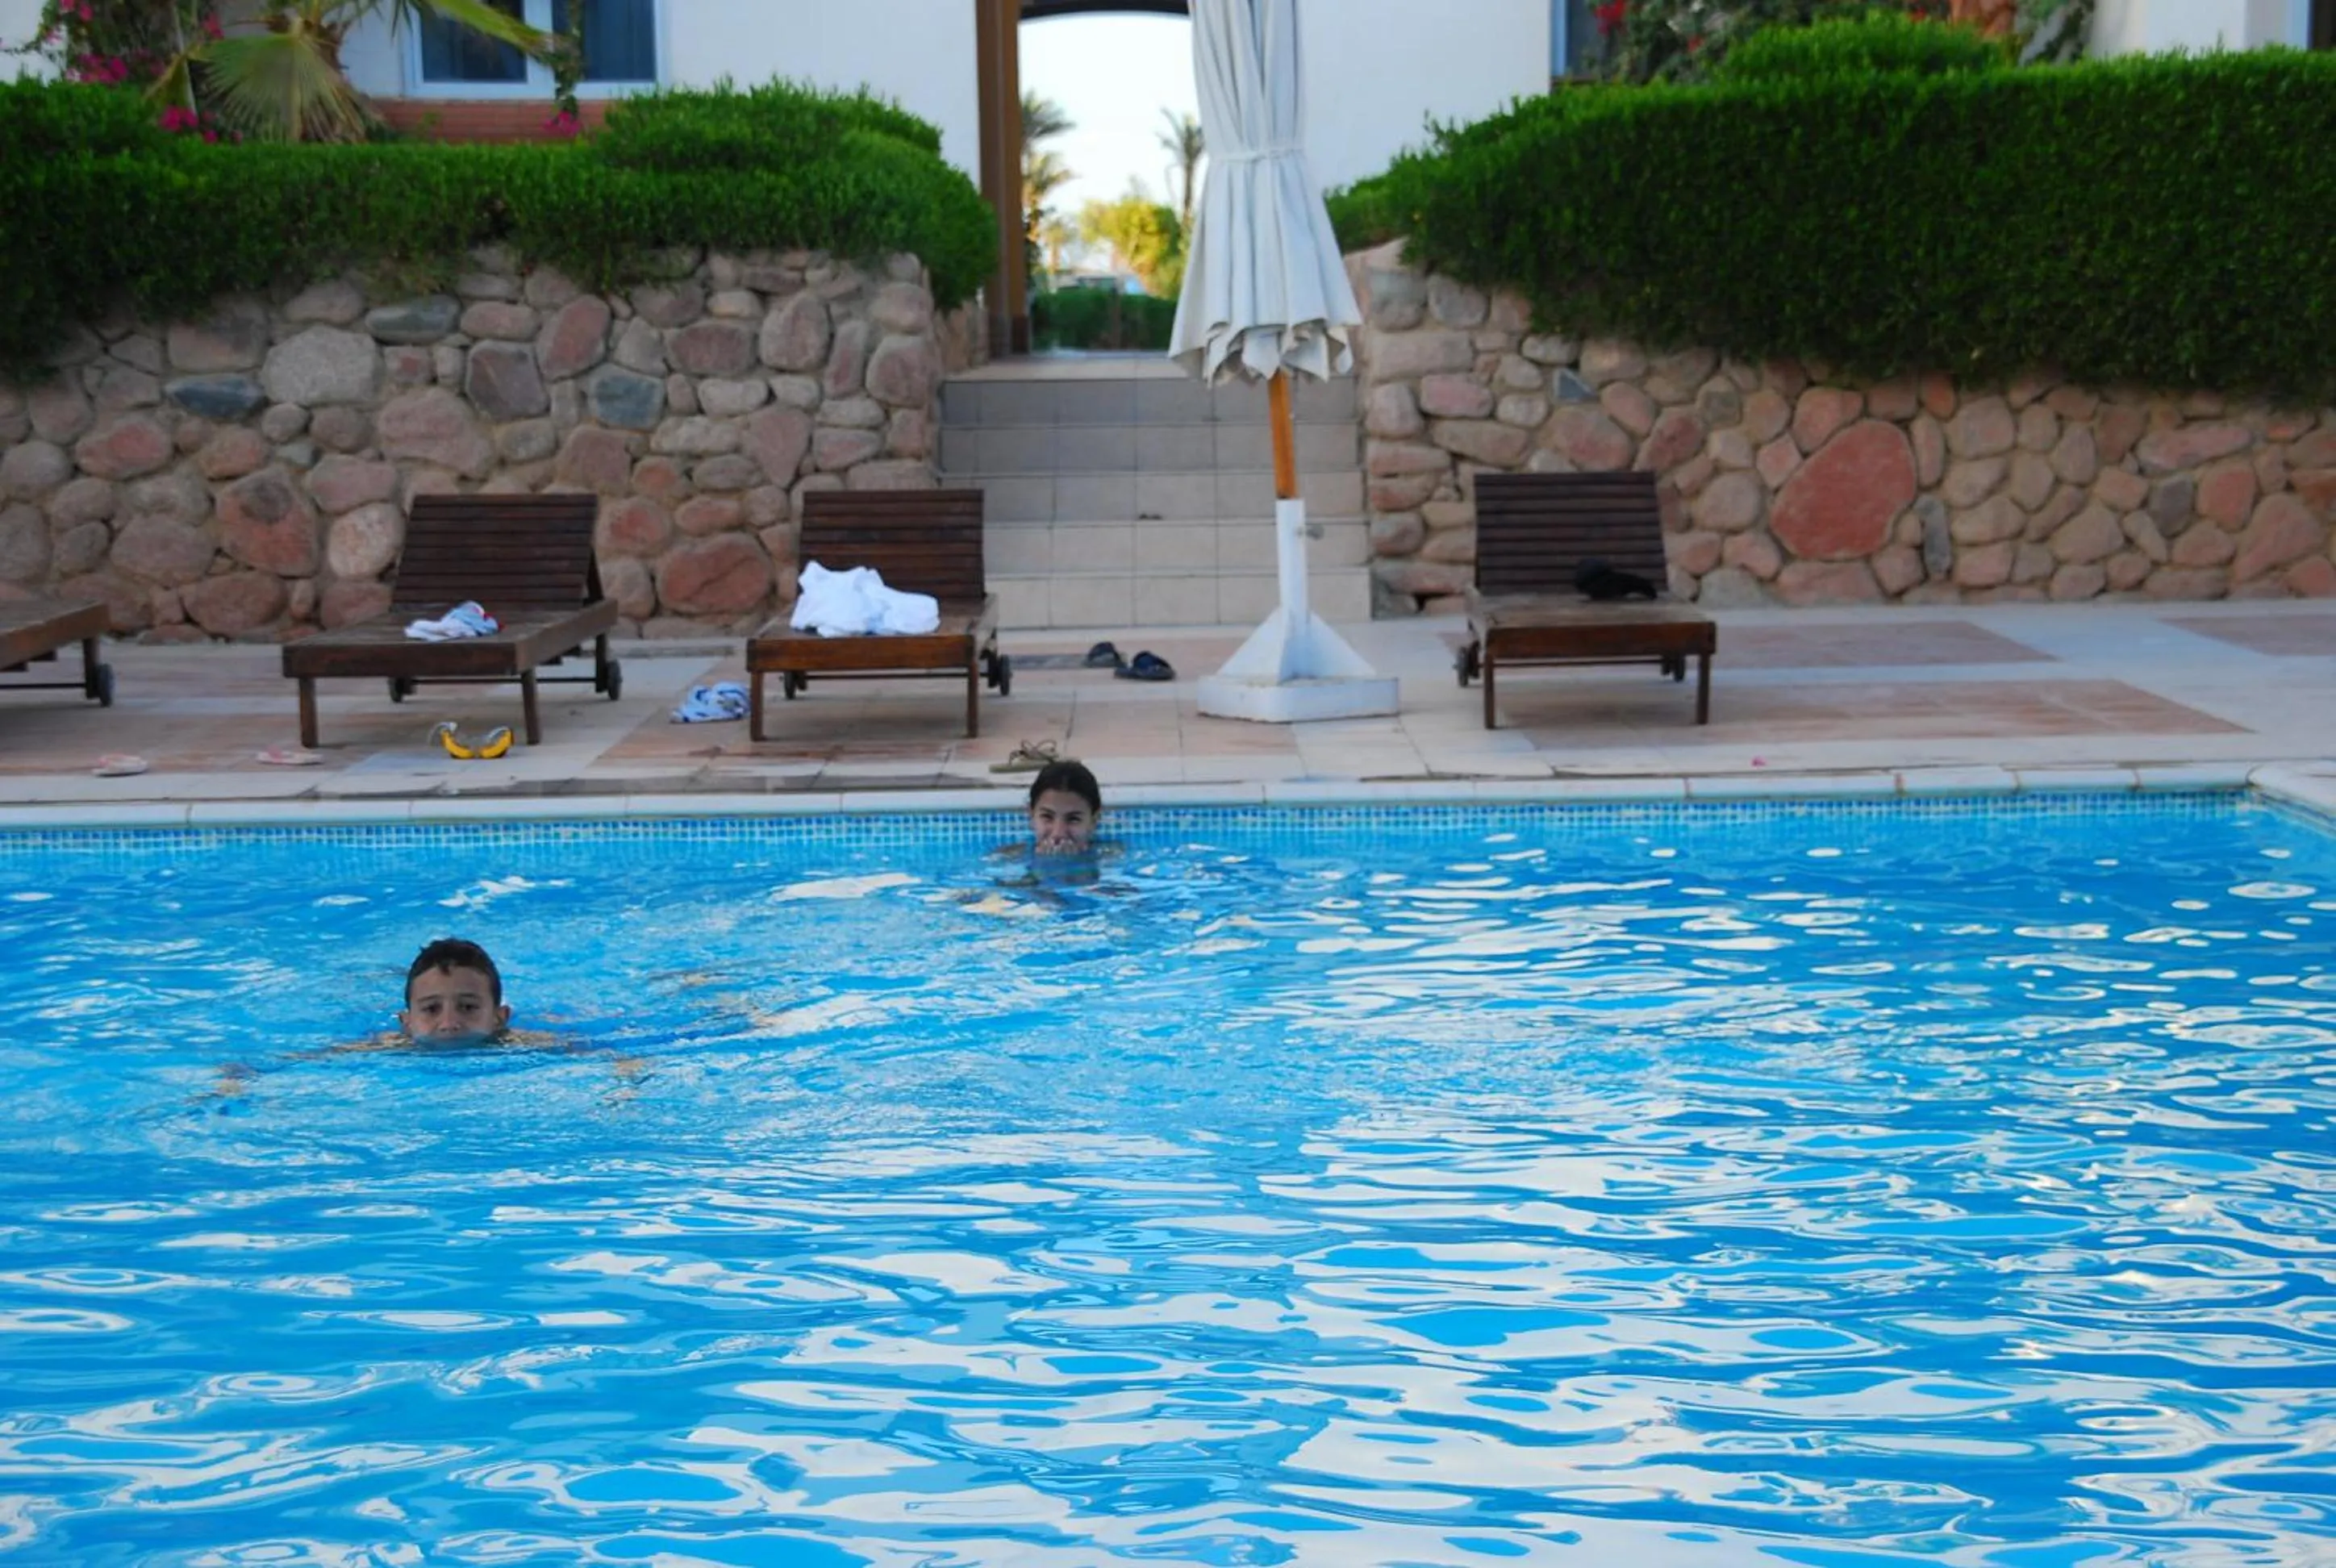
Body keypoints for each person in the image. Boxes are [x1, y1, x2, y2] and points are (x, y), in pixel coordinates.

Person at [399, 936, 513, 1044]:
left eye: (468, 1007)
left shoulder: (520, 1046)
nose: (448, 1024)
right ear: (407, 1022)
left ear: (499, 1018)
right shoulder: (392, 1048)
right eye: (431, 1009)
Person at [1027, 759, 1102, 857]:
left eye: (1073, 819)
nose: (1058, 834)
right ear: (1031, 816)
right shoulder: (1011, 857)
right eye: (1047, 817)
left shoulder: (1111, 858)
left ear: (1094, 822)